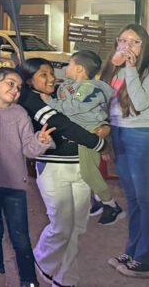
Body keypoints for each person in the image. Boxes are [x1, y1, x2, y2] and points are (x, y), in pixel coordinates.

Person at [17, 58, 105, 287]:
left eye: (50, 73)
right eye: (43, 75)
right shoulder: (28, 99)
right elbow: (60, 123)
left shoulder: (63, 92)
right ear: (29, 80)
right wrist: (96, 142)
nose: (50, 79)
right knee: (61, 225)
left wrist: (105, 125)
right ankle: (41, 261)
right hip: (53, 167)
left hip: (82, 165)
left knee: (77, 227)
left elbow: (94, 109)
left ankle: (66, 279)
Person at [99, 24, 149, 277]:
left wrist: (130, 68)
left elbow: (138, 103)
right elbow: (104, 103)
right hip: (119, 133)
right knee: (133, 199)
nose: (128, 46)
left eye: (135, 41)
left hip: (143, 136)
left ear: (145, 45)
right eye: (123, 40)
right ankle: (134, 251)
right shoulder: (114, 67)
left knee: (146, 199)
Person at [0, 67, 54, 287]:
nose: (15, 90)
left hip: (14, 187)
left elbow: (29, 148)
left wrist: (41, 141)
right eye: (10, 83)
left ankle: (29, 280)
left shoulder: (20, 114)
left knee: (20, 237)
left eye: (19, 87)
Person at [49, 50, 122, 224]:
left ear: (80, 69)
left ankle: (111, 205)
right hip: (82, 131)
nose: (66, 67)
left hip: (90, 131)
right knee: (87, 171)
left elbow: (73, 107)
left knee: (88, 172)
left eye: (69, 64)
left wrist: (48, 101)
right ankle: (97, 200)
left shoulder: (88, 88)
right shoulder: (74, 85)